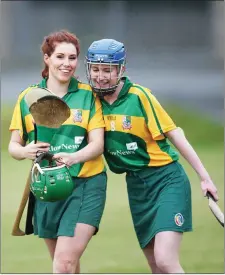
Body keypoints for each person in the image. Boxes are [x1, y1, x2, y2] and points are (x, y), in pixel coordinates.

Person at [85, 39, 218, 274]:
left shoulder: (139, 96)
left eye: (107, 70)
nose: (100, 76)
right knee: (156, 267)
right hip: (136, 187)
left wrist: (204, 177)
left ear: (120, 70)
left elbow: (176, 134)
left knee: (166, 261)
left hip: (167, 181)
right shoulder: (92, 103)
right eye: (95, 69)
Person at [8, 30, 107, 274]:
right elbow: (13, 146)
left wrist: (74, 157)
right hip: (47, 187)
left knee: (62, 264)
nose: (67, 64)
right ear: (47, 58)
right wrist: (26, 151)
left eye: (72, 58)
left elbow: (98, 144)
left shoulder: (88, 95)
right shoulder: (27, 97)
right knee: (68, 266)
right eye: (60, 57)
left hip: (85, 185)